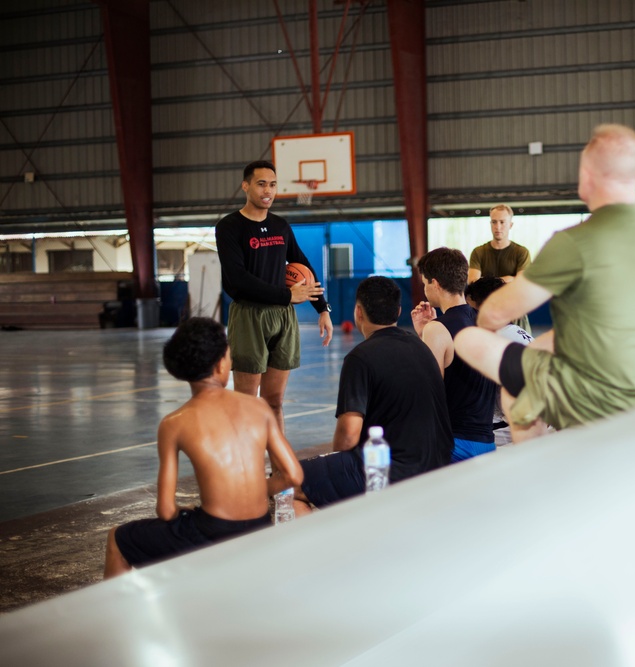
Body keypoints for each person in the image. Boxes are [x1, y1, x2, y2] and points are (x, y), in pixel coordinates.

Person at [454, 124, 635, 443]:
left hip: (604, 392)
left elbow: (491, 315)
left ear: (586, 178)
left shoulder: (576, 241)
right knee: (540, 347)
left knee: (471, 343)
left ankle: (534, 462)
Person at [104, 318, 303, 578]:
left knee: (117, 540)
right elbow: (293, 475)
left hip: (213, 532)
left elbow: (165, 510)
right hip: (260, 525)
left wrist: (180, 513)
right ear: (221, 363)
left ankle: (109, 615)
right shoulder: (259, 407)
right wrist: (254, 489)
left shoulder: (173, 423)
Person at [267, 276, 453, 513]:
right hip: (438, 462)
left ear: (358, 311)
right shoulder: (422, 348)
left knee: (287, 484)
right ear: (398, 311)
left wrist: (335, 466)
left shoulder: (360, 358)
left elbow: (347, 437)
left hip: (390, 469)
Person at [215, 160, 333, 432]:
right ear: (246, 186)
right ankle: (248, 466)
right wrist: (286, 295)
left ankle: (279, 467)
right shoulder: (230, 227)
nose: (267, 190)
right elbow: (238, 279)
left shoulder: (280, 226)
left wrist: (322, 309)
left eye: (272, 184)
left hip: (283, 316)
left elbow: (304, 267)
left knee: (275, 402)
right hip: (250, 315)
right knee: (247, 401)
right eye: (260, 184)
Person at [412, 248, 497, 461]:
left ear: (435, 283)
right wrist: (425, 331)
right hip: (486, 442)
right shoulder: (485, 321)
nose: (425, 289)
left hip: (455, 445)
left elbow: (429, 395)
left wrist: (427, 334)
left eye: (425, 283)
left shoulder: (438, 330)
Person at [466, 276, 532, 446]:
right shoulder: (516, 331)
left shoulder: (495, 339)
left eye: (471, 310)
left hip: (514, 427)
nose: (469, 317)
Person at [468, 204, 533, 333]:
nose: (498, 227)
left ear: (510, 225)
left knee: (520, 350)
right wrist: (510, 278)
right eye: (494, 222)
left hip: (514, 314)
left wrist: (486, 283)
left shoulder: (521, 252)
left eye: (502, 222)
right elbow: (473, 282)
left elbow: (521, 283)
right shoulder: (478, 252)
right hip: (487, 314)